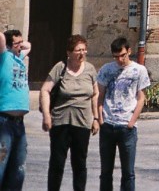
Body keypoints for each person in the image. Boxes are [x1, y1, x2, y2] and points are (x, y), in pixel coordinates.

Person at [40, 35, 99, 191]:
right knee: (57, 164)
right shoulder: (60, 68)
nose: (82, 53)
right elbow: (45, 90)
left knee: (80, 164)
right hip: (60, 122)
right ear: (69, 52)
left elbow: (95, 94)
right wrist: (46, 115)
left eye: (84, 49)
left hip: (82, 123)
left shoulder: (90, 69)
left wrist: (96, 118)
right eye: (78, 50)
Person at [96, 39, 149, 191]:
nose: (119, 59)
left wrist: (132, 121)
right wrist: (100, 119)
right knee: (105, 172)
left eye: (123, 55)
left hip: (127, 127)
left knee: (128, 172)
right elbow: (100, 96)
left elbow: (141, 98)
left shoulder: (139, 70)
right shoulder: (106, 69)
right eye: (116, 56)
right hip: (108, 124)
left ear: (129, 51)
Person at [0, 29, 32, 190]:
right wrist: (8, 43)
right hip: (4, 121)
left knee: (18, 170)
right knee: (1, 167)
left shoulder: (18, 57)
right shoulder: (3, 57)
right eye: (16, 43)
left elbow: (29, 46)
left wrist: (18, 43)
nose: (20, 46)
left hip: (19, 123)